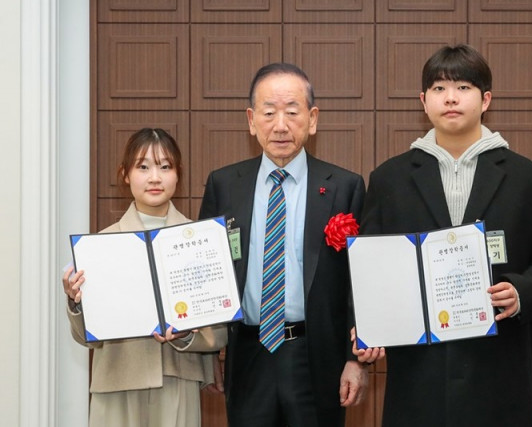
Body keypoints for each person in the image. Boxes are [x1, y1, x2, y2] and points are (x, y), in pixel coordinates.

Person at [353, 44, 532, 426]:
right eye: (439, 89)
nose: (451, 98)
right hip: (418, 374)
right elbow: (367, 268)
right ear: (423, 101)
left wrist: (522, 291)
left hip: (498, 371)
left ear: (485, 99)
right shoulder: (389, 179)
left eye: (463, 87)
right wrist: (368, 320)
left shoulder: (528, 179)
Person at [199, 63, 368, 427]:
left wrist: (354, 359)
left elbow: (359, 283)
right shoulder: (224, 185)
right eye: (269, 112)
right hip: (246, 353)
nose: (280, 125)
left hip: (317, 355)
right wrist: (209, 351)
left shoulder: (344, 187)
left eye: (292, 112)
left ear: (312, 119)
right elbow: (206, 274)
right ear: (250, 119)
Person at [62, 128, 227, 427]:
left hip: (178, 376)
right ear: (125, 174)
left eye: (165, 166)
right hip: (116, 379)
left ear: (178, 175)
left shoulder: (202, 240)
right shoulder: (99, 245)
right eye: (143, 166)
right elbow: (85, 337)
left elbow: (218, 330)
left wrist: (187, 335)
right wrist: (75, 303)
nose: (155, 177)